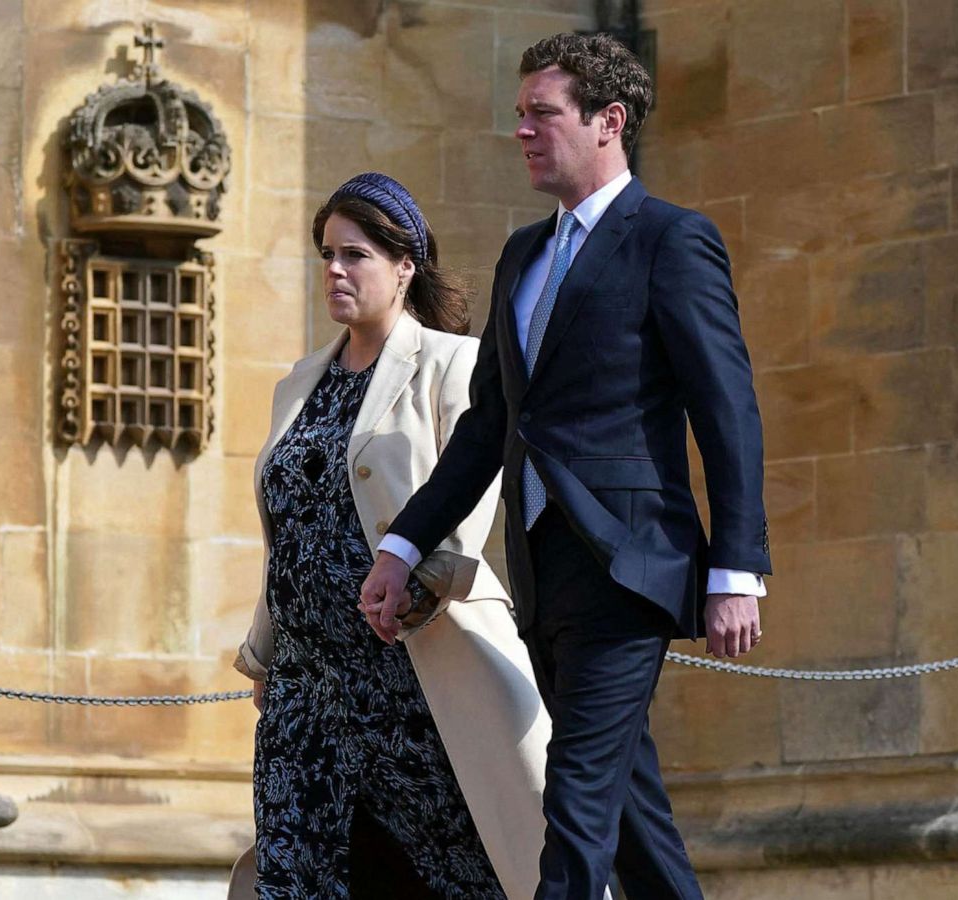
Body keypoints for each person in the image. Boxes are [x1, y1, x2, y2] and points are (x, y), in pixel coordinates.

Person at [359, 33, 771, 900]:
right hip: (543, 572)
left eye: (542, 114)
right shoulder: (521, 255)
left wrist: (738, 568)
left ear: (608, 122)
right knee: (628, 817)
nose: (523, 131)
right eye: (520, 115)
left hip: (632, 567)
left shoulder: (672, 241)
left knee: (576, 810)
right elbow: (488, 428)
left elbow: (725, 410)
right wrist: (402, 547)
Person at [231, 172, 552, 899]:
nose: (335, 272)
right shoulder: (299, 382)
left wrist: (422, 581)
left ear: (405, 265)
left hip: (406, 677)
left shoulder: (451, 364)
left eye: (355, 255)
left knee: (448, 876)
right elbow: (286, 530)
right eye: (326, 255)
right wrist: (266, 652)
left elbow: (466, 504)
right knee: (297, 878)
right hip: (304, 692)